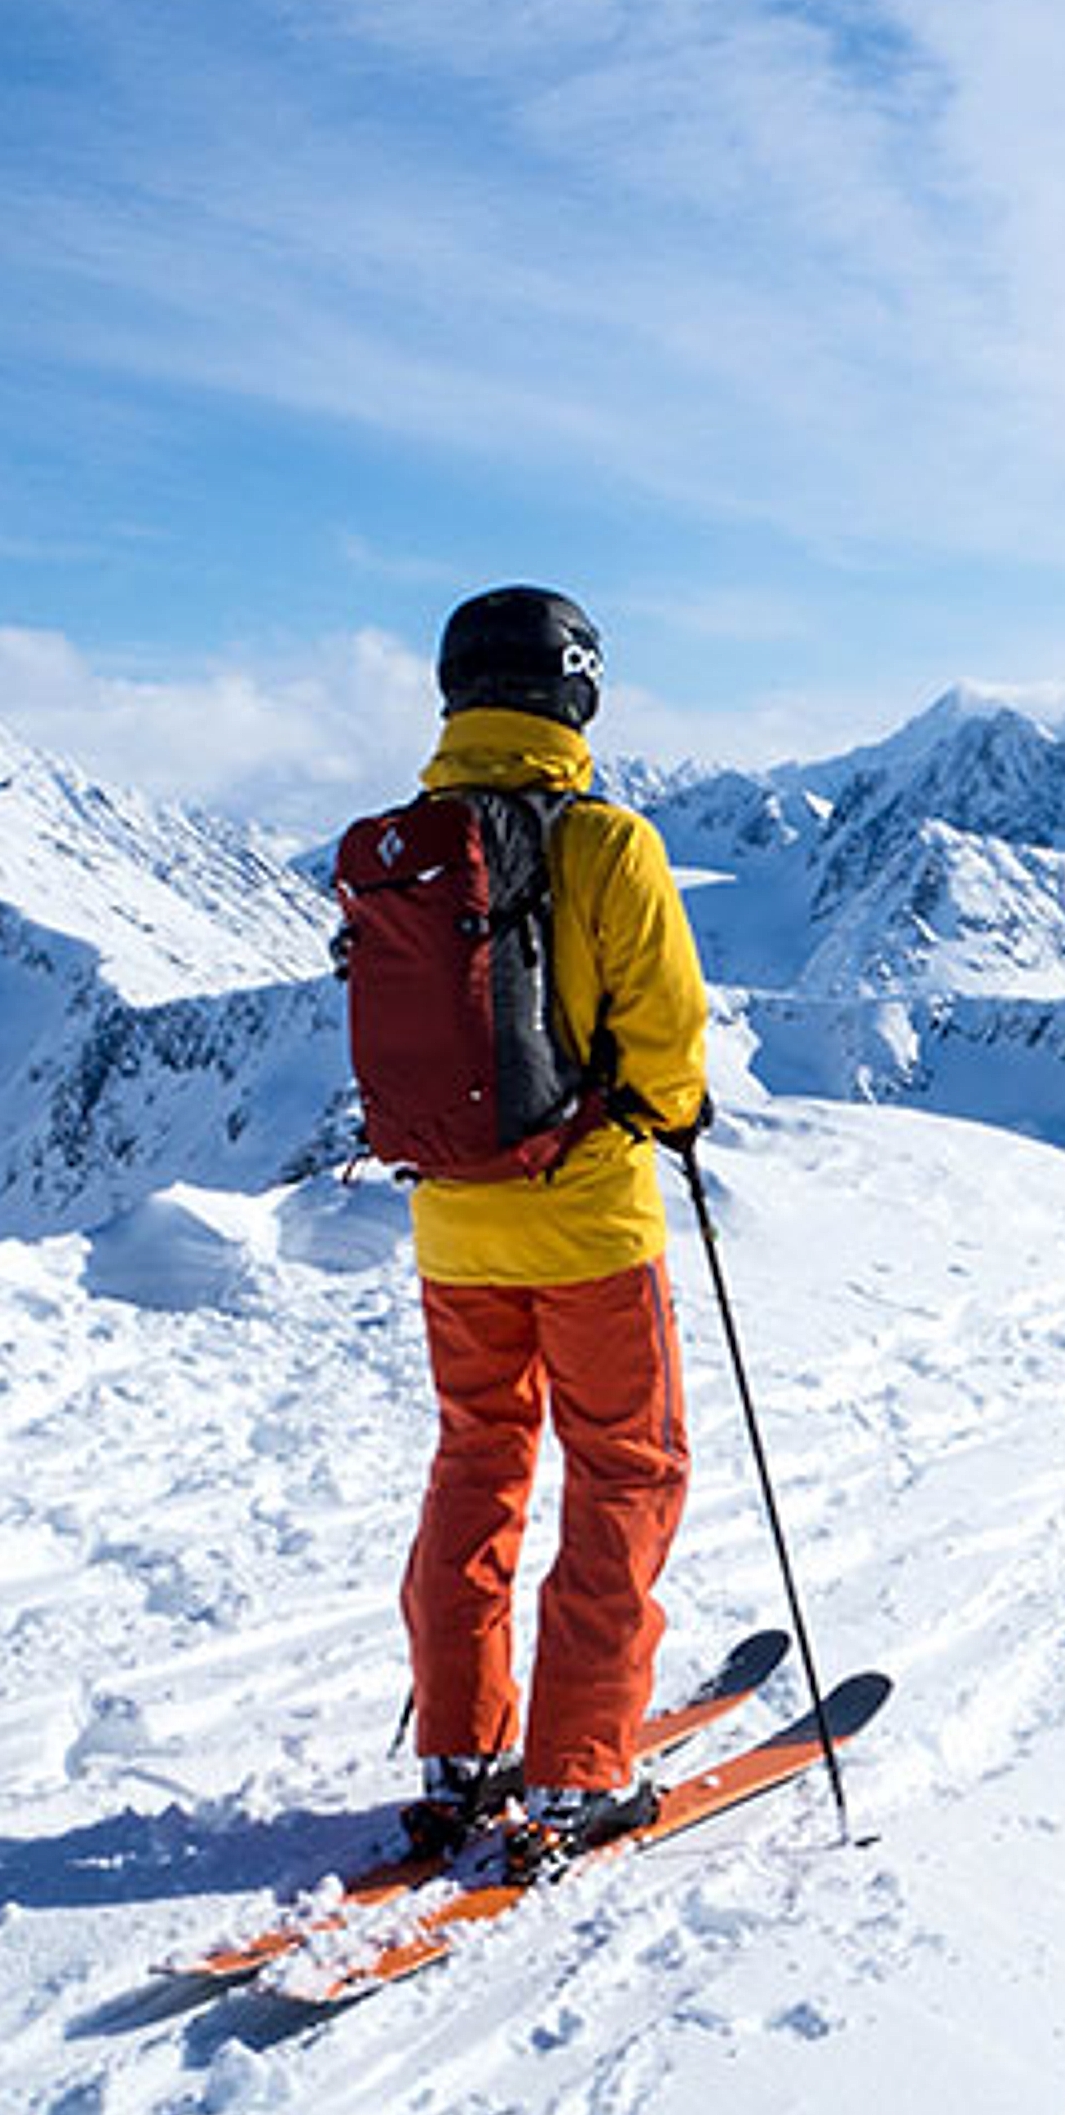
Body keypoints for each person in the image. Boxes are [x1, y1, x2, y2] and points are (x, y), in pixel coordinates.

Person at [392, 584, 712, 1882]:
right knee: (627, 1470)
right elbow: (668, 1033)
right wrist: (673, 1118)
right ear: (577, 690)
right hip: (589, 1223)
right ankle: (584, 1762)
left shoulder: (407, 844)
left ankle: (462, 1750)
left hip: (454, 1225)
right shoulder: (606, 842)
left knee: (480, 1459)